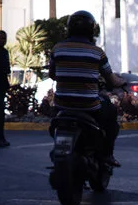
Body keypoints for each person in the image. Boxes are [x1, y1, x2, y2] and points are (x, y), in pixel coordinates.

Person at [47, 10, 126, 166]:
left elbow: (52, 74)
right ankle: (107, 154)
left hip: (62, 105)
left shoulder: (57, 49)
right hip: (88, 107)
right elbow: (111, 79)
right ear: (91, 30)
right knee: (110, 114)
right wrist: (121, 82)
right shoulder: (97, 53)